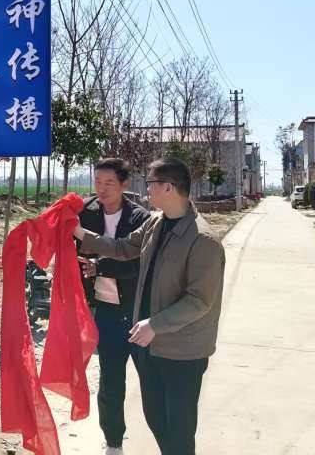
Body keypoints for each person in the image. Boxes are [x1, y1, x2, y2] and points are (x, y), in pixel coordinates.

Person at [74, 157, 225, 455]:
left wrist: (154, 324)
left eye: (151, 184)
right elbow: (122, 248)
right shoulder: (156, 223)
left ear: (168, 187)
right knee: (156, 417)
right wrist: (80, 233)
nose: (146, 191)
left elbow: (199, 300)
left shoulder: (202, 240)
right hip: (151, 344)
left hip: (182, 350)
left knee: (178, 427)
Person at [74, 158, 149, 455]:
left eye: (109, 183)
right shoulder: (85, 214)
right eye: (97, 182)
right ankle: (114, 442)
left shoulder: (140, 218)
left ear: (124, 184)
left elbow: (138, 263)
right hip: (105, 311)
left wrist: (99, 266)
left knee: (152, 380)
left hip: (137, 312)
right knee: (111, 382)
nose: (101, 189)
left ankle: (166, 437)